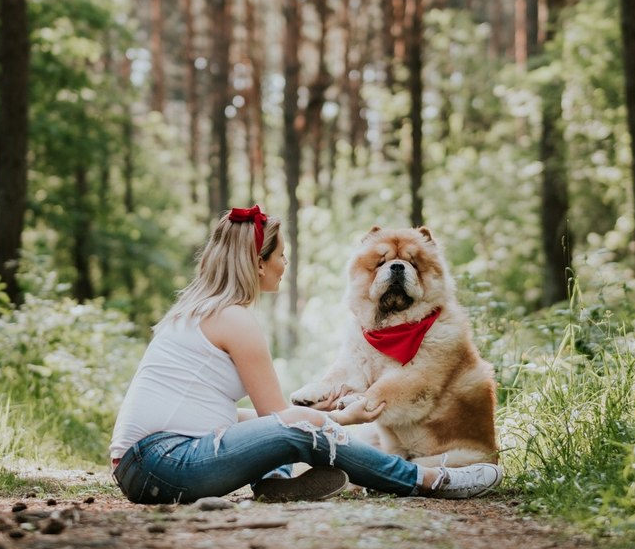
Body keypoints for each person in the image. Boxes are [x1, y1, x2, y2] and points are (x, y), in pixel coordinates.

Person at [108, 205, 505, 504]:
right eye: (281, 256)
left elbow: (226, 415)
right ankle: (423, 479)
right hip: (164, 464)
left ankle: (276, 483)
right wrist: (342, 417)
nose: (285, 265)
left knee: (295, 429)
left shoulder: (197, 310)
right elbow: (280, 419)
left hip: (145, 466)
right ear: (258, 263)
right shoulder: (235, 320)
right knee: (301, 430)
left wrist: (319, 414)